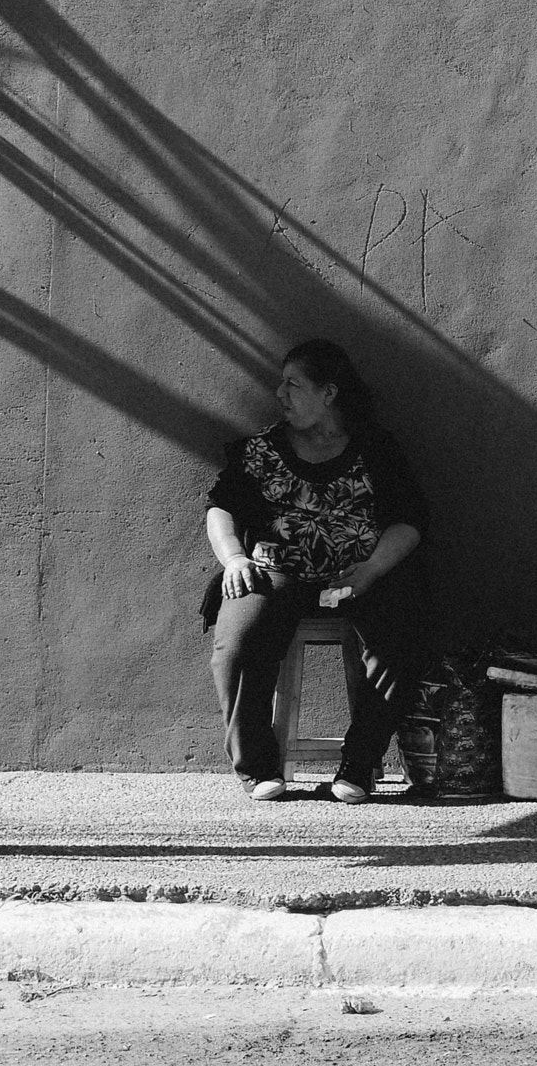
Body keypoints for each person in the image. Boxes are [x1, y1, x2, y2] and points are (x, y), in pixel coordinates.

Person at [203, 339, 431, 803]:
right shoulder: (261, 450)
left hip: (359, 572)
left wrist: (370, 569)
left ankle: (360, 765)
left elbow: (409, 521)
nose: (281, 394)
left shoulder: (375, 449)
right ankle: (258, 768)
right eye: (281, 383)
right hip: (274, 571)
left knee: (399, 634)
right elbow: (220, 508)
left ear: (329, 394)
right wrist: (234, 559)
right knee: (239, 642)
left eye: (294, 385)